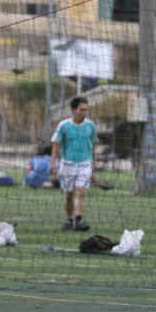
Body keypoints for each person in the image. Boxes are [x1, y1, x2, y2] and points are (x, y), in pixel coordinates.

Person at [51, 96, 97, 231]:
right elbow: (56, 144)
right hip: (67, 164)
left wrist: (94, 161)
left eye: (86, 110)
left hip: (85, 163)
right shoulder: (64, 125)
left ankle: (79, 220)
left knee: (81, 191)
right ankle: (69, 219)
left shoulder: (90, 125)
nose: (84, 112)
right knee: (69, 194)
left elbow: (93, 144)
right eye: (81, 109)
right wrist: (53, 162)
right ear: (73, 109)